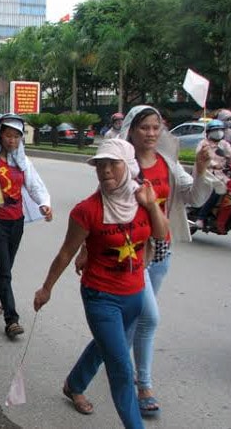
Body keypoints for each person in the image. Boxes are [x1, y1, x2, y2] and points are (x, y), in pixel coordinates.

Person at [74, 105, 213, 417]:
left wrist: (201, 169)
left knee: (124, 327)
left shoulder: (167, 163)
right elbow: (101, 209)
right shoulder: (120, 163)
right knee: (148, 318)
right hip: (131, 253)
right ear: (131, 130)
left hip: (160, 250)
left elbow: (195, 198)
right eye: (144, 128)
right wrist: (85, 248)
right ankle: (144, 385)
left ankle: (77, 381)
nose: (151, 133)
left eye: (156, 127)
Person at [34, 138, 169, 428]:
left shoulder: (143, 198)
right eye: (100, 165)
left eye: (113, 163)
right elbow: (66, 253)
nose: (105, 170)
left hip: (135, 294)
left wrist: (152, 206)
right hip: (100, 295)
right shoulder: (87, 210)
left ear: (129, 166)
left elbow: (161, 234)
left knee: (107, 345)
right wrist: (46, 288)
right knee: (121, 366)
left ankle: (74, 383)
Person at [0, 113, 52, 338]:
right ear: (0, 136)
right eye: (8, 135)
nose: (12, 140)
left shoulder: (24, 162)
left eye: (17, 136)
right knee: (5, 271)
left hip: (16, 222)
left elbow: (35, 186)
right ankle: (12, 320)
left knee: (4, 269)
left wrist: (44, 204)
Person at [195, 119, 231, 228]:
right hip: (205, 173)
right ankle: (201, 217)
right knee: (218, 190)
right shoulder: (203, 143)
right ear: (209, 132)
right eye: (215, 130)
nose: (218, 132)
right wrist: (213, 164)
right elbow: (201, 156)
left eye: (220, 130)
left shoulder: (224, 144)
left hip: (221, 175)